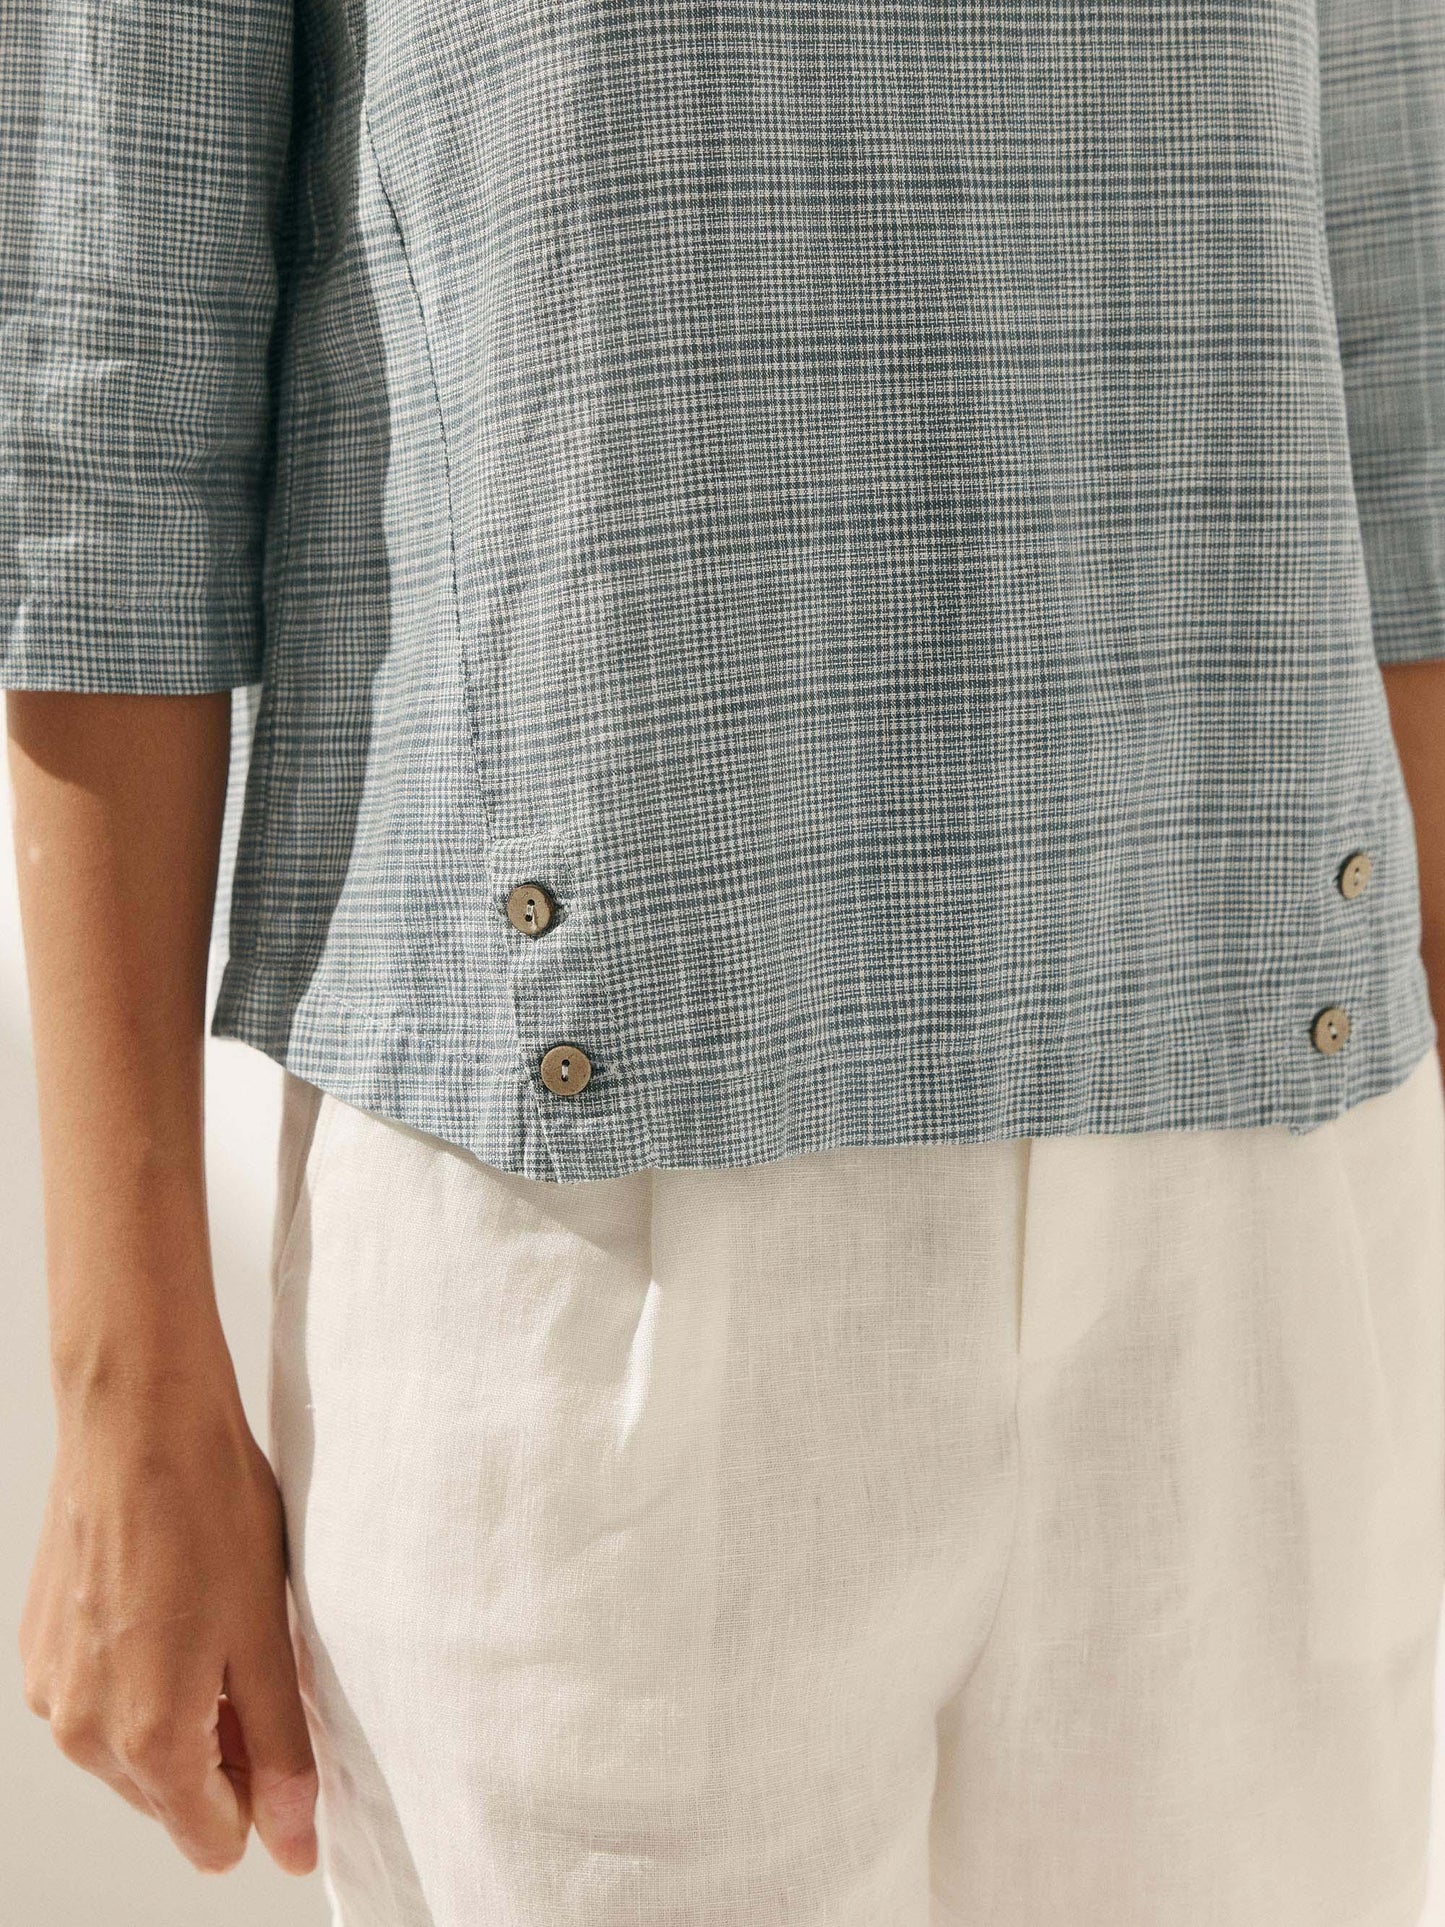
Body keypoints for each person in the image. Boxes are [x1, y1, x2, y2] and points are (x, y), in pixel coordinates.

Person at [3, 3, 1444, 1922]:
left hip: (1266, 1185)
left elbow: (1398, 343)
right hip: (587, 1236)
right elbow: (102, 428)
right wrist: (123, 1393)